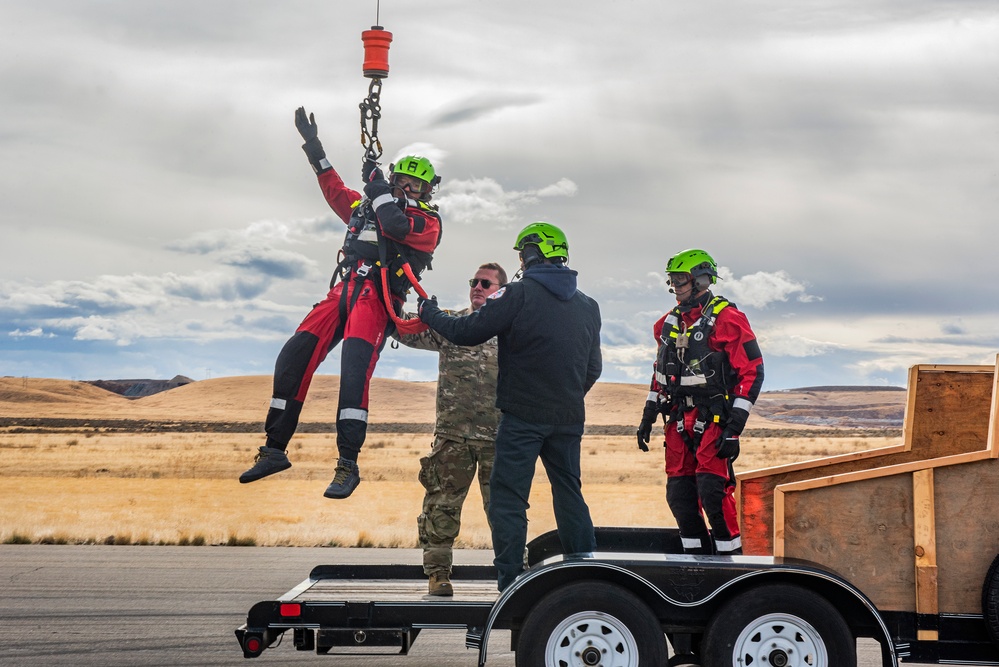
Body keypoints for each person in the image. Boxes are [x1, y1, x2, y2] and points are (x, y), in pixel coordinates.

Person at [239, 107, 443, 500]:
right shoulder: (365, 206)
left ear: (427, 191)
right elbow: (334, 188)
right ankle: (274, 449)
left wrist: (381, 190)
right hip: (344, 289)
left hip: (378, 298)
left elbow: (396, 226)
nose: (407, 190)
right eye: (402, 182)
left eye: (416, 187)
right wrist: (314, 147)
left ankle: (348, 463)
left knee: (353, 376)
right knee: (292, 358)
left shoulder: (428, 222)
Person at [417, 222, 602, 592]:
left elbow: (467, 332)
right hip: (567, 419)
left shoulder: (517, 294)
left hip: (522, 419)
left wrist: (430, 313)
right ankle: (586, 573)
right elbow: (593, 368)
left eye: (522, 254)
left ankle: (511, 582)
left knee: (507, 500)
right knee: (569, 493)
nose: (520, 261)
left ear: (532, 254)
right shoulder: (588, 306)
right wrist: (565, 397)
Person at [637, 248, 764, 556]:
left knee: (712, 492)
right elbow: (661, 373)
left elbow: (753, 371)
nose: (675, 287)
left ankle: (731, 560)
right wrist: (649, 413)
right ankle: (694, 563)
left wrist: (734, 428)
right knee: (679, 496)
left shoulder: (729, 319)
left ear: (701, 279)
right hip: (679, 418)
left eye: (680, 279)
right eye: (672, 280)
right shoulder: (665, 326)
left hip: (715, 418)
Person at [395, 263, 506, 596]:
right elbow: (403, 330)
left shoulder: (512, 331)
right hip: (453, 437)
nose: (477, 287)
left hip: (497, 440)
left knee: (505, 512)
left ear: (500, 290)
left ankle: (514, 574)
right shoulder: (450, 325)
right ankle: (438, 574)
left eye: (485, 283)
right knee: (441, 508)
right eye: (474, 281)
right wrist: (391, 295)